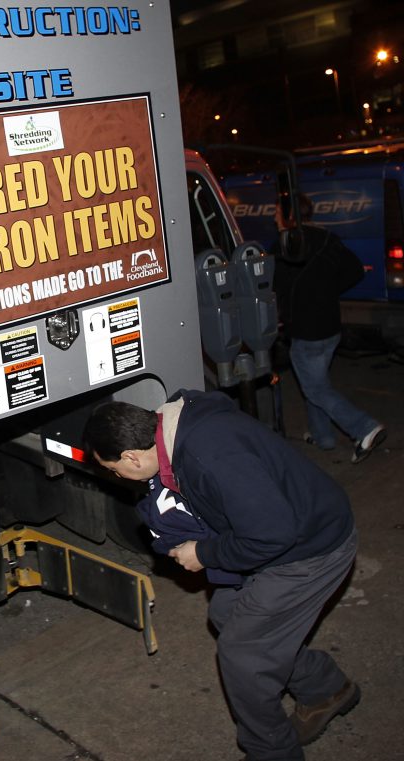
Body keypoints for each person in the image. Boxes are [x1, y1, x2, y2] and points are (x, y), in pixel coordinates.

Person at [83, 390, 359, 761]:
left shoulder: (207, 454)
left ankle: (271, 753)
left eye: (115, 470)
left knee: (244, 656)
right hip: (284, 536)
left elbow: (271, 534)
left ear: (132, 455)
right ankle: (326, 688)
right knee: (227, 614)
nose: (120, 478)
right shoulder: (174, 430)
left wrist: (203, 554)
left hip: (312, 548)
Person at [273, 193, 386, 462]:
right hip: (330, 327)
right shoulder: (327, 240)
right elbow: (356, 270)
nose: (273, 217)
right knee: (316, 383)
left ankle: (364, 427)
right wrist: (326, 292)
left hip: (306, 331)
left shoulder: (288, 244)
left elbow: (275, 286)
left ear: (290, 217)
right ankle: (322, 436)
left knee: (315, 389)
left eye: (277, 212)